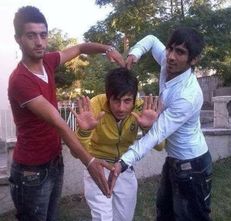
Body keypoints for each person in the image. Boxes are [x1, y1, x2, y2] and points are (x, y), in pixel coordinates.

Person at [8, 5, 126, 221]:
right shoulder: (20, 81)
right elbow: (58, 123)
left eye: (43, 35)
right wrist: (89, 162)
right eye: (31, 35)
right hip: (31, 171)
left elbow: (80, 48)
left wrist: (107, 48)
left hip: (53, 161)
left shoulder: (48, 62)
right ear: (18, 39)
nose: (39, 42)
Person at [109, 27, 213, 221]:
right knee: (164, 213)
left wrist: (124, 162)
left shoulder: (188, 96)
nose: (171, 57)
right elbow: (150, 39)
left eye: (180, 52)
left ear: (194, 59)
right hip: (174, 160)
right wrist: (135, 53)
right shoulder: (168, 62)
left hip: (192, 166)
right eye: (170, 48)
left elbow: (157, 133)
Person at [70, 67, 164, 221]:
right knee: (103, 218)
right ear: (108, 97)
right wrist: (84, 132)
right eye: (115, 100)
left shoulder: (142, 107)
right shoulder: (94, 105)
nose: (121, 108)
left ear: (134, 99)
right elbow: (76, 153)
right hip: (98, 168)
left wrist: (149, 128)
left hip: (125, 168)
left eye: (127, 101)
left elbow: (160, 146)